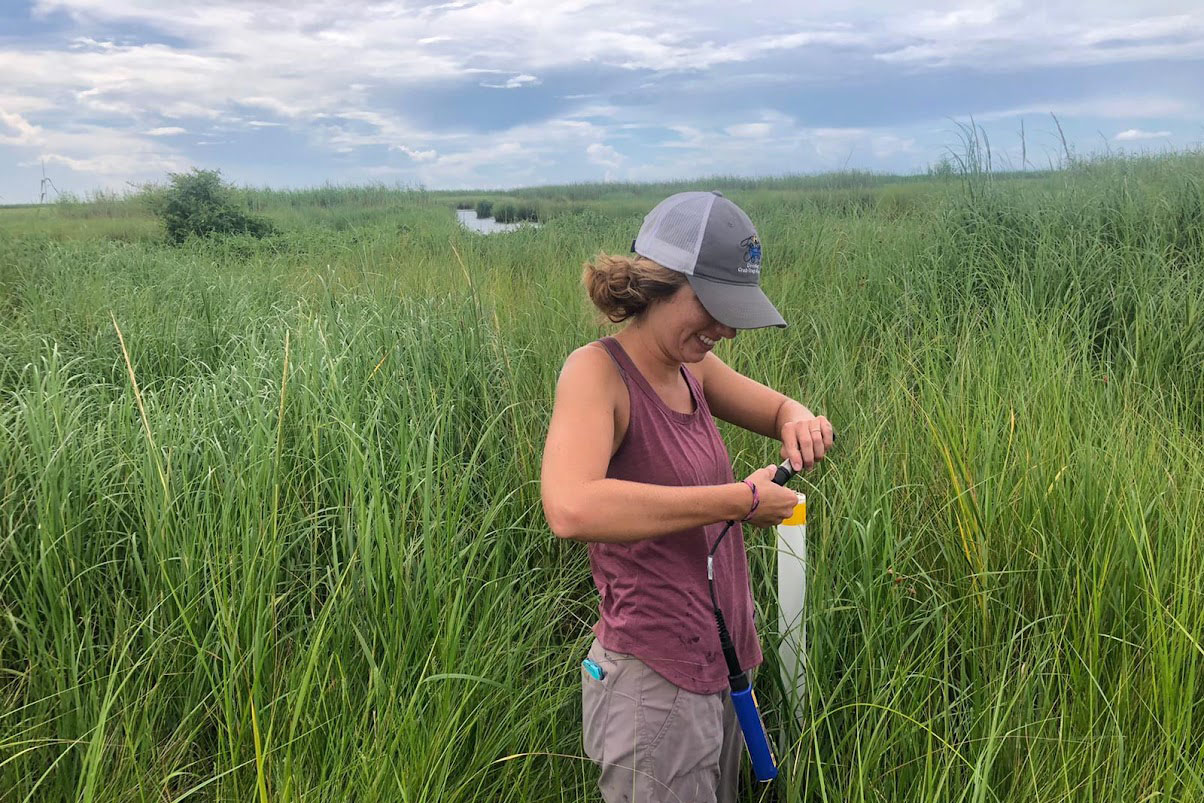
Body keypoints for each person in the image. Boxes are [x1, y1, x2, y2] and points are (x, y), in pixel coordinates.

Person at [540, 190, 835, 802]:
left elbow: (779, 408)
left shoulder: (691, 367)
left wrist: (798, 419)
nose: (725, 329)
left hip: (723, 664)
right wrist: (739, 501)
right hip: (653, 687)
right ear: (658, 286)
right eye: (713, 307)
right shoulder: (598, 373)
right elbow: (570, 507)